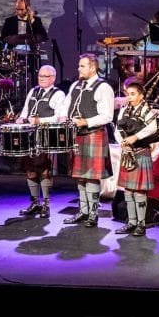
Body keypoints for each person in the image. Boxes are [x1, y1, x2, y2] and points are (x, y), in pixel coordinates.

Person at [60, 54, 115, 227]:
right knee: (80, 177)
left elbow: (107, 115)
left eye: (82, 66)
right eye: (79, 66)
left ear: (93, 68)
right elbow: (65, 106)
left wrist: (86, 122)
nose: (79, 69)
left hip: (94, 134)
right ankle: (83, 211)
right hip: (77, 135)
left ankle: (93, 213)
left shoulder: (103, 87)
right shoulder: (76, 85)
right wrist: (62, 117)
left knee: (91, 177)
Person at [17, 65, 65, 217]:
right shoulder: (33, 91)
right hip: (30, 136)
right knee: (30, 170)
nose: (42, 79)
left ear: (53, 78)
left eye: (45, 76)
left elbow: (59, 117)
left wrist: (40, 120)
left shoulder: (58, 94)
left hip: (47, 134)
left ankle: (46, 204)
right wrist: (21, 118)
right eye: (40, 76)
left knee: (44, 171)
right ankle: (35, 203)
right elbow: (26, 110)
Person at [113, 82, 159, 237]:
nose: (129, 97)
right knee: (128, 190)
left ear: (141, 95)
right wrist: (122, 142)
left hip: (140, 151)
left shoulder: (147, 111)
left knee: (139, 191)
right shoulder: (124, 110)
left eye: (133, 94)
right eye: (128, 94)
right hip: (127, 152)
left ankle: (141, 224)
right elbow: (118, 129)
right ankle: (131, 222)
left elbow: (152, 128)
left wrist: (135, 137)